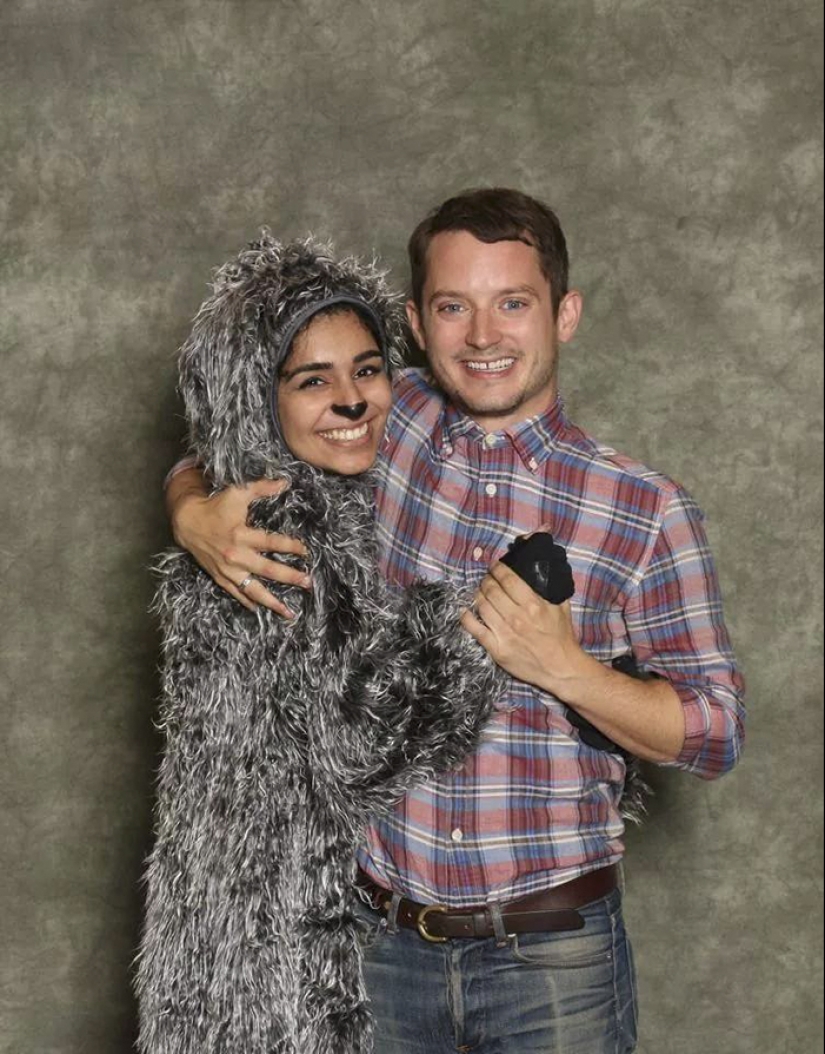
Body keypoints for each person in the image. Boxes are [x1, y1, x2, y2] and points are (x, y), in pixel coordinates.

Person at [166, 189, 746, 1054]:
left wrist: (564, 668)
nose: (481, 336)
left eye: (511, 303)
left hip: (552, 959)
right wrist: (191, 511)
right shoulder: (377, 414)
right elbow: (225, 441)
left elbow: (714, 732)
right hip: (376, 945)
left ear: (564, 313)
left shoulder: (644, 509)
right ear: (415, 320)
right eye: (451, 307)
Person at [137, 235, 506, 1054]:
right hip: (283, 957)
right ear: (257, 399)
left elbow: (201, 453)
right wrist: (480, 626)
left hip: (221, 934)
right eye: (312, 381)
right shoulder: (280, 532)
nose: (350, 401)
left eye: (366, 370)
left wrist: (185, 500)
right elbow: (358, 750)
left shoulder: (253, 498)